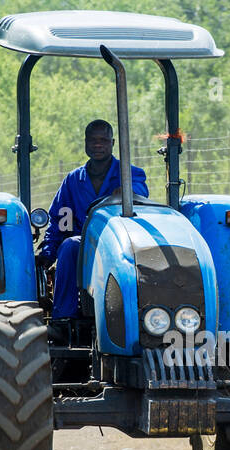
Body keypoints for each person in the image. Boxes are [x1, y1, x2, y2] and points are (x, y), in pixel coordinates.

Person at [39, 119, 148, 319]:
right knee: (70, 245)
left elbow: (140, 194)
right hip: (85, 244)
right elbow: (58, 218)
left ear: (113, 143)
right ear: (86, 143)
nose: (98, 145)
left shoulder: (130, 174)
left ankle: (127, 316)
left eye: (103, 140)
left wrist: (127, 192)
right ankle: (64, 316)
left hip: (119, 243)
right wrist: (48, 252)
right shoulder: (73, 180)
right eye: (93, 140)